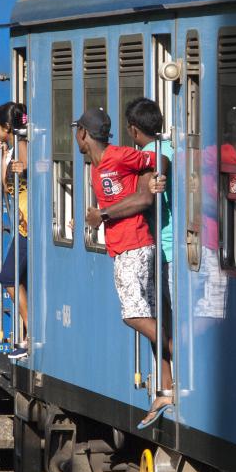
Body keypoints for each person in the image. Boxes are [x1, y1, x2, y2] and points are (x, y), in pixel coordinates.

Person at [75, 107, 172, 430]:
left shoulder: (119, 155)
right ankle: (167, 388)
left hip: (136, 245)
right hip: (124, 247)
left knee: (133, 315)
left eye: (77, 131)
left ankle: (181, 357)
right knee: (149, 318)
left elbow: (158, 157)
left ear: (84, 135)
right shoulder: (97, 165)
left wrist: (151, 185)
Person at [87, 97, 172, 319]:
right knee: (157, 317)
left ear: (133, 131)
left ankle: (171, 353)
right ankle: (169, 353)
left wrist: (102, 214)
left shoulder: (140, 158)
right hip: (171, 247)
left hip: (157, 246)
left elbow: (144, 198)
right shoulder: (174, 148)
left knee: (146, 316)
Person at [0, 102, 31, 360]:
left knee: (8, 276)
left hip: (28, 225)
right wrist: (3, 155)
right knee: (13, 278)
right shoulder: (10, 149)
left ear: (7, 127)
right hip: (21, 224)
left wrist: (23, 168)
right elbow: (0, 184)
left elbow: (33, 173)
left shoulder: (24, 147)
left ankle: (31, 332)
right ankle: (29, 333)